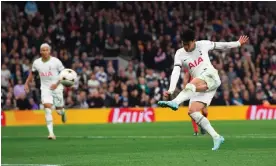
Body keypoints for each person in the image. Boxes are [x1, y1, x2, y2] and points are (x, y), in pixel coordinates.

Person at [158, 29, 249, 150]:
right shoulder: (179, 53)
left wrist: (237, 43)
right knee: (192, 112)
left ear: (194, 41)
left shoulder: (203, 44)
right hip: (204, 86)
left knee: (191, 85)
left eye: (187, 44)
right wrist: (170, 90)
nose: (185, 46)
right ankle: (216, 137)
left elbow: (221, 45)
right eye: (183, 44)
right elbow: (175, 71)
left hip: (210, 75)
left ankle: (175, 102)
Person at [24, 43, 66, 140]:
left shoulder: (56, 61)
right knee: (47, 107)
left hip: (57, 87)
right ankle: (51, 133)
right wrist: (26, 83)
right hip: (45, 88)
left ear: (49, 51)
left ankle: (63, 112)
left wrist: (56, 84)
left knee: (59, 111)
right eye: (43, 50)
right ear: (40, 52)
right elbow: (32, 74)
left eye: (47, 50)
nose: (45, 52)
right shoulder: (36, 63)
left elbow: (64, 73)